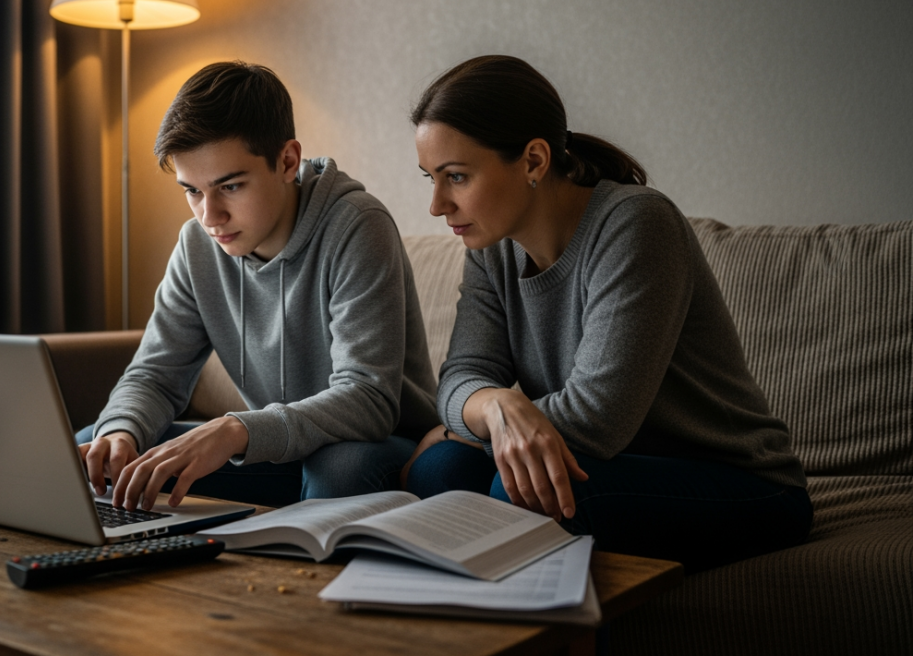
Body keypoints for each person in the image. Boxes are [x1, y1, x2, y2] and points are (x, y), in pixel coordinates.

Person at [403, 55, 812, 572]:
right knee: (438, 472)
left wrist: (461, 425)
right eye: (430, 178)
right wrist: (496, 412)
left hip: (739, 483)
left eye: (456, 176)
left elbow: (598, 420)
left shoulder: (638, 224)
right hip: (609, 464)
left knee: (525, 496)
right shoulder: (490, 247)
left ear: (533, 160)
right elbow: (463, 376)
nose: (437, 205)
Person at [77, 61, 439, 512]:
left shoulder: (357, 226)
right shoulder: (197, 245)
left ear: (287, 161)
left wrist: (235, 429)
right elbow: (155, 376)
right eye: (192, 191)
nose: (210, 217)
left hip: (379, 442)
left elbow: (368, 398)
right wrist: (120, 432)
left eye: (229, 186)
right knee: (93, 452)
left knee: (340, 469)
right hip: (273, 449)